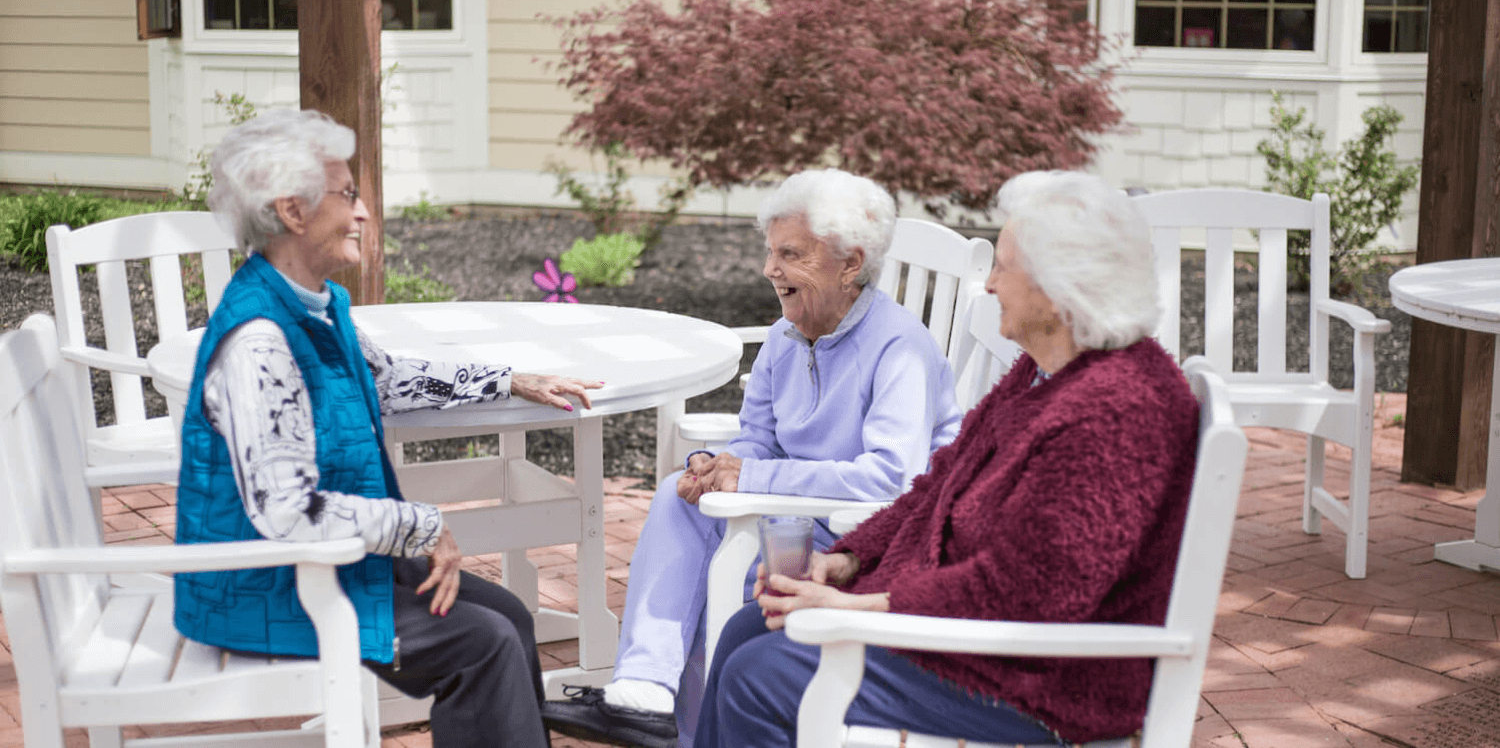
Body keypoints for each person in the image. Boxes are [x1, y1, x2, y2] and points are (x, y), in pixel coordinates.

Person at [693, 170, 1201, 747]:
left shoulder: (1117, 411)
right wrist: (848, 561)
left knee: (758, 680)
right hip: (969, 639)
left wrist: (869, 608)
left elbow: (1031, 593)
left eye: (1003, 268)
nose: (988, 285)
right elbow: (935, 487)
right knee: (744, 629)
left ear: (1061, 292)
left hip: (1038, 681)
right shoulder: (1046, 372)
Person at [172, 108, 601, 748]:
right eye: (348, 194)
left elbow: (389, 377)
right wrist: (417, 525)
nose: (365, 210)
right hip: (266, 586)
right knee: (481, 645)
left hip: (327, 563)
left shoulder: (316, 305)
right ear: (292, 210)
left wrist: (507, 380)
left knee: (509, 614)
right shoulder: (260, 341)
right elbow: (287, 513)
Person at [542, 168, 964, 748]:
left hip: (858, 538)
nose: (771, 270)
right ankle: (645, 689)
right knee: (679, 494)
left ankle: (674, 718)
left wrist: (753, 473)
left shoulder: (900, 349)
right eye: (771, 252)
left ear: (849, 263)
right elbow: (758, 439)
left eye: (790, 255)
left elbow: (890, 478)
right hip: (790, 516)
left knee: (705, 570)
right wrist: (719, 465)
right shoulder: (784, 338)